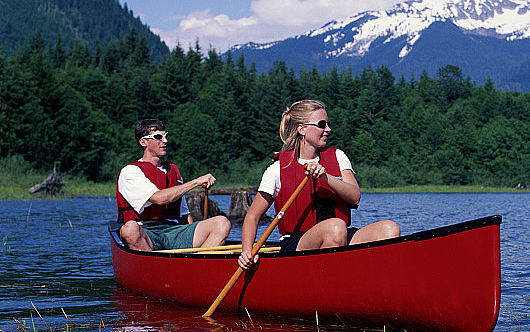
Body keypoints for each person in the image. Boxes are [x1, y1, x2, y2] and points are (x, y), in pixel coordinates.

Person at [238, 100, 399, 269]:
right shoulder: (277, 169)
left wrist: (325, 177)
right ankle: (331, 284)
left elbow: (355, 197)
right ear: (302, 129)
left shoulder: (338, 156)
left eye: (328, 124)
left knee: (389, 229)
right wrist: (247, 251)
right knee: (335, 227)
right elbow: (252, 217)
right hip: (297, 243)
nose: (328, 129)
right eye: (322, 125)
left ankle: (378, 283)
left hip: (338, 234)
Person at [116, 118, 231, 251]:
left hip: (174, 231)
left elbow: (184, 214)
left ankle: (196, 265)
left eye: (165, 136)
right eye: (158, 137)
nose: (165, 141)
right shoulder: (130, 172)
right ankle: (155, 267)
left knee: (222, 223)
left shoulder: (173, 171)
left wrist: (192, 232)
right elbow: (159, 198)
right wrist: (196, 182)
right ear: (143, 142)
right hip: (145, 232)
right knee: (129, 229)